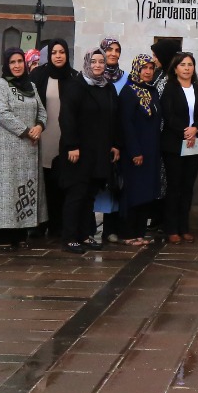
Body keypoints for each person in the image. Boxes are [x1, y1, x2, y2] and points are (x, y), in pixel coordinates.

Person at [58, 47, 120, 254]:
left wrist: (114, 144)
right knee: (77, 193)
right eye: (93, 61)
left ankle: (85, 234)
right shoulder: (76, 85)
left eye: (101, 62)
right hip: (79, 151)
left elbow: (113, 118)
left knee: (90, 195)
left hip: (99, 151)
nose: (97, 65)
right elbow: (66, 117)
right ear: (87, 62)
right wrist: (72, 145)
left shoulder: (107, 88)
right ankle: (70, 237)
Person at [0, 49, 46, 250]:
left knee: (24, 190)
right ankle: (0, 236)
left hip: (29, 149)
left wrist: (39, 126)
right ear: (6, 65)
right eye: (13, 62)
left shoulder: (32, 86)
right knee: (4, 191)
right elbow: (2, 113)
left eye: (20, 61)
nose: (17, 65)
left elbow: (42, 111)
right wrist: (27, 130)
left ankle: (20, 235)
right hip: (5, 149)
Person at [157, 52, 198, 244]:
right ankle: (171, 228)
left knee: (188, 187)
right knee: (174, 186)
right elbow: (167, 114)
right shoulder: (170, 88)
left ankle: (184, 226)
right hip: (173, 144)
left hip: (194, 144)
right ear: (175, 68)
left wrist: (196, 128)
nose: (187, 68)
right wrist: (184, 131)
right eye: (183, 65)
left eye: (190, 64)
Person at [119, 54, 164, 247]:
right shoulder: (129, 92)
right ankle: (128, 233)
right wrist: (135, 151)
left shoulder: (152, 91)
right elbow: (126, 124)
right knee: (133, 194)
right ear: (136, 69)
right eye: (143, 68)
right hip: (135, 153)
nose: (147, 71)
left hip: (152, 152)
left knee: (146, 194)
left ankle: (139, 232)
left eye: (150, 68)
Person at [32, 39, 73, 239]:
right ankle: (39, 224)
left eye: (62, 52)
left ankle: (59, 225)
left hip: (63, 136)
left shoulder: (73, 77)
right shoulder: (37, 76)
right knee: (42, 181)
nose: (58, 55)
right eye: (54, 52)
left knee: (61, 181)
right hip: (42, 136)